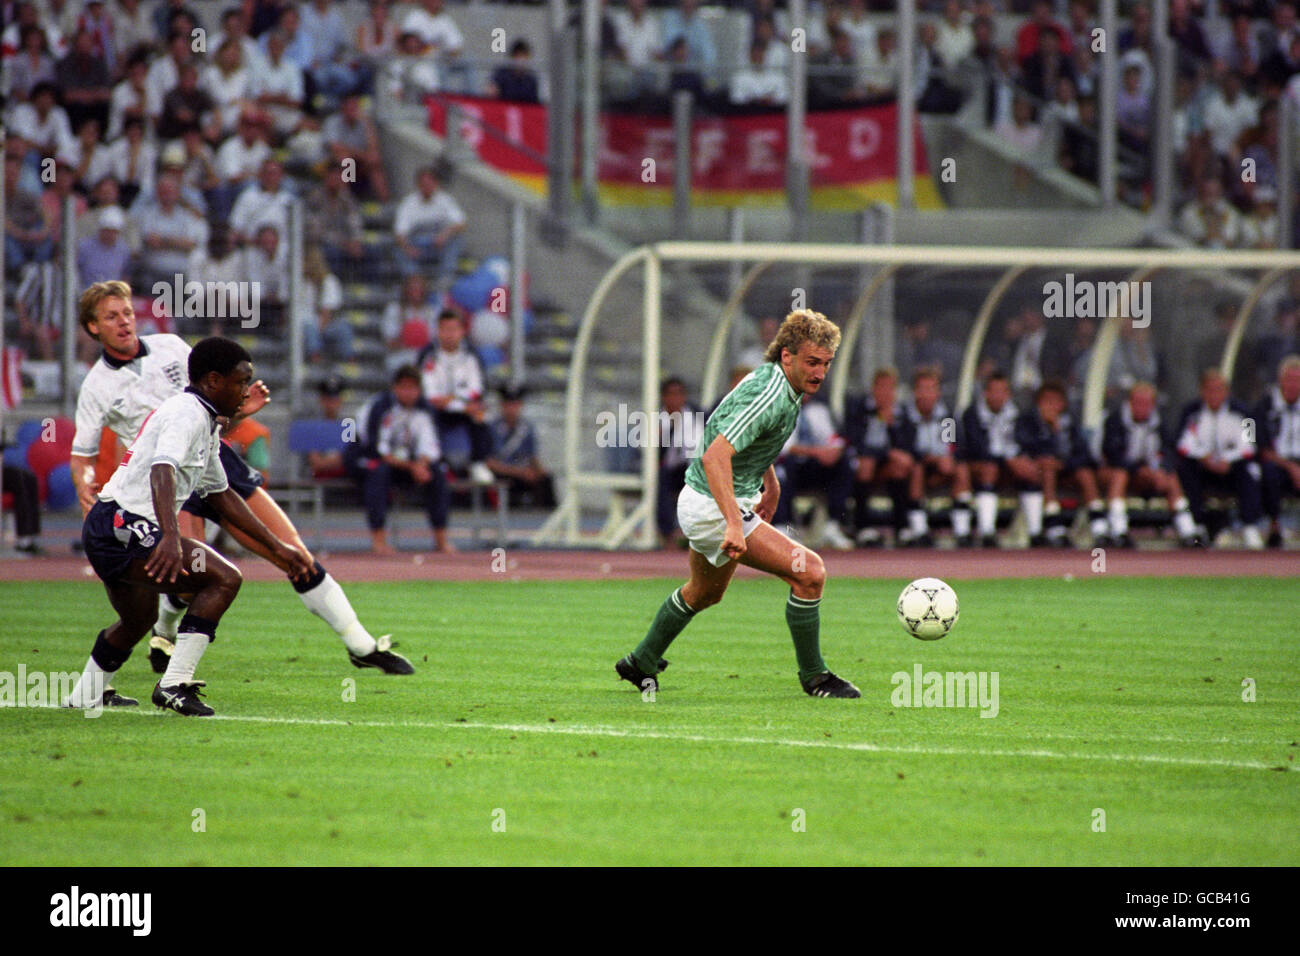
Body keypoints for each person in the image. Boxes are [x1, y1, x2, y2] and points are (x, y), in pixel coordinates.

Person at [69, 281, 413, 675]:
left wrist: (242, 413)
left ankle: (360, 644)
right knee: (187, 574)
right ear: (93, 327)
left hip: (214, 462)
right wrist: (84, 482)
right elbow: (83, 455)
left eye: (127, 312)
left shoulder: (171, 347)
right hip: (162, 482)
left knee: (292, 550)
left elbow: (211, 412)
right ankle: (164, 639)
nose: (124, 322)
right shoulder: (96, 386)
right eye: (111, 316)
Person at [615, 309, 861, 700]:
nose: (819, 372)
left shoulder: (779, 383)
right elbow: (715, 456)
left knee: (704, 592)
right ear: (787, 356)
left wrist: (771, 482)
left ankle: (640, 661)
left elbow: (737, 434)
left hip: (708, 498)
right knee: (810, 573)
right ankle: (815, 677)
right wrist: (733, 522)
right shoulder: (770, 393)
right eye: (812, 362)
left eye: (826, 364)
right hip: (713, 504)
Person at [65, 337, 314, 716]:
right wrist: (169, 535)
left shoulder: (205, 421)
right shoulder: (186, 413)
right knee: (223, 578)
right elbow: (162, 470)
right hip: (125, 524)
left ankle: (85, 694)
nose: (246, 391)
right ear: (213, 381)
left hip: (114, 526)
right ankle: (173, 684)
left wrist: (279, 549)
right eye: (241, 381)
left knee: (138, 619)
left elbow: (222, 496)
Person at [353, 365, 452, 554]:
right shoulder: (380, 407)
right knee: (377, 472)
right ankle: (379, 539)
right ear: (395, 388)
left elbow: (430, 445)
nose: (408, 393)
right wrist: (412, 466)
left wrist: (421, 465)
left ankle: (441, 539)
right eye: (404, 387)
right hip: (373, 458)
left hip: (408, 464)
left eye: (413, 388)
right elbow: (379, 450)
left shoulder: (426, 409)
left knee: (438, 473)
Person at [1099, 381, 1200, 548]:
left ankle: (1188, 531)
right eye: (1138, 402)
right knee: (1120, 475)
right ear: (1130, 402)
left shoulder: (1160, 422)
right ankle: (1119, 531)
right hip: (1116, 473)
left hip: (1147, 475)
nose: (1142, 407)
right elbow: (1112, 454)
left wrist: (1162, 470)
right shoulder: (1114, 419)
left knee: (1171, 477)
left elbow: (1169, 451)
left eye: (1147, 403)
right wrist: (1138, 470)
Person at [1174, 368, 1264, 548]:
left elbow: (1250, 446)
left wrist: (1227, 460)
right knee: (1185, 470)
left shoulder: (1243, 411)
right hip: (1203, 467)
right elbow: (1183, 444)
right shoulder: (1191, 412)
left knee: (1250, 472)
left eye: (1218, 389)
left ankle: (1249, 526)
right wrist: (1204, 457)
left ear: (1226, 391)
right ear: (1202, 391)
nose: (1214, 394)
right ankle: (1196, 525)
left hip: (1231, 467)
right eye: (1209, 389)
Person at [1013, 380, 1106, 547]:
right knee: (1048, 467)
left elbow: (1083, 453)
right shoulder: (1028, 421)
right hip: (1040, 472)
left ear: (1063, 403)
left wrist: (1063, 462)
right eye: (1047, 400)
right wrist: (1050, 432)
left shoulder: (1070, 423)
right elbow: (1028, 448)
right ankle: (1053, 525)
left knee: (1085, 474)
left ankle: (1100, 528)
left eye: (1056, 400)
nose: (1051, 405)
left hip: (1067, 468)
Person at [958, 370, 1035, 548]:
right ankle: (986, 532)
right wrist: (1006, 459)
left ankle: (1038, 532)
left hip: (1008, 464)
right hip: (980, 466)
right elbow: (975, 449)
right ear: (986, 393)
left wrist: (1018, 459)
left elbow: (1025, 443)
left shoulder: (1017, 414)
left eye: (1003, 391)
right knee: (989, 469)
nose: (999, 396)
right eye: (994, 391)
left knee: (1030, 470)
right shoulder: (971, 414)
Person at [417, 309, 495, 485]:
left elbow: (476, 388)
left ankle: (478, 462)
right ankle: (436, 463)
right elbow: (429, 393)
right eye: (444, 329)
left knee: (481, 414)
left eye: (453, 330)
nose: (449, 335)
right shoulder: (428, 355)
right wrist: (456, 402)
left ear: (462, 331)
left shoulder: (471, 356)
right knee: (426, 415)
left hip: (465, 408)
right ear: (437, 331)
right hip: (436, 409)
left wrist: (453, 399)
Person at [842, 368, 910, 548]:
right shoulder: (858, 407)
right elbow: (854, 440)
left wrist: (891, 425)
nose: (885, 393)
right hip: (862, 462)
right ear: (873, 388)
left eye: (890, 388)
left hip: (885, 465)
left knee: (900, 465)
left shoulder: (900, 412)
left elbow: (904, 446)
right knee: (866, 464)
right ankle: (863, 527)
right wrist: (885, 451)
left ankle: (902, 527)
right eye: (881, 387)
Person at [902, 366, 969, 546]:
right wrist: (931, 458)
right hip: (918, 468)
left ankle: (962, 532)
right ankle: (920, 531)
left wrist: (948, 458)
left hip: (942, 468)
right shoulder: (906, 417)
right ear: (915, 392)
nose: (926, 394)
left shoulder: (946, 417)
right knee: (916, 470)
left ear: (938, 393)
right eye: (922, 389)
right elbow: (906, 448)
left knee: (960, 469)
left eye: (931, 389)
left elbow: (954, 447)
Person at [394, 165, 467, 287]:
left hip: (438, 245)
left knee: (456, 240)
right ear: (418, 185)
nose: (427, 187)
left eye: (430, 183)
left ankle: (445, 279)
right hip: (417, 246)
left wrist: (445, 234)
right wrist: (407, 247)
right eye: (423, 184)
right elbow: (399, 233)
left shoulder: (445, 200)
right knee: (397, 250)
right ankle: (414, 280)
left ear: (436, 183)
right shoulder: (408, 203)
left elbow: (461, 223)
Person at [1255, 355, 1300, 548]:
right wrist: (1291, 468)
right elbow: (1259, 447)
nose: (1293, 385)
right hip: (1277, 462)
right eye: (1289, 379)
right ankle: (1274, 527)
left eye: (1297, 380)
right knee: (1268, 473)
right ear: (1280, 380)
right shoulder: (1264, 406)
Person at [486, 384, 555, 508]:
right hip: (502, 472)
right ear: (502, 406)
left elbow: (532, 456)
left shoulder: (526, 428)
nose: (512, 409)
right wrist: (519, 472)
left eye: (515, 405)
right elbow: (489, 462)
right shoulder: (491, 428)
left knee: (546, 480)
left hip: (522, 471)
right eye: (509, 405)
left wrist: (539, 471)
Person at [655, 377, 704, 545]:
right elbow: (644, 451)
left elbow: (698, 448)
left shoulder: (694, 416)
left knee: (704, 474)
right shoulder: (655, 416)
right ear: (663, 397)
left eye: (679, 394)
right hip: (664, 470)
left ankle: (701, 531)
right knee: (660, 477)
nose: (675, 399)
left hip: (687, 467)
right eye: (671, 394)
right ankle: (668, 532)